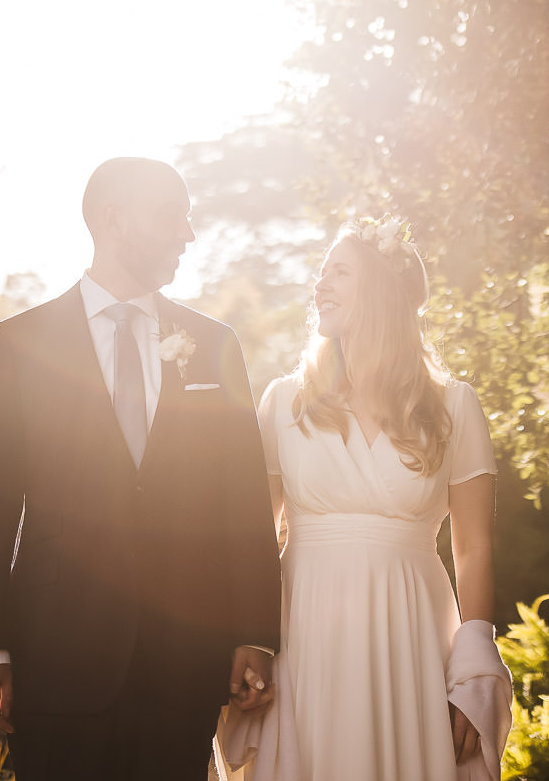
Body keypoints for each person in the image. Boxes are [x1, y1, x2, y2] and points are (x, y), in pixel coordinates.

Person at [0, 157, 282, 780]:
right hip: (57, 655)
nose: (188, 234)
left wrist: (255, 633)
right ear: (114, 219)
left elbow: (241, 501)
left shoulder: (215, 344)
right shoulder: (18, 344)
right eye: (171, 216)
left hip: (183, 658)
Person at [219, 216, 512, 781]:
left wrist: (474, 665)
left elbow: (473, 547)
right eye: (321, 272)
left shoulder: (454, 405)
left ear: (379, 290)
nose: (320, 285)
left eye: (339, 271)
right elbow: (255, 535)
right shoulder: (284, 402)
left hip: (411, 626)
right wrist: (242, 638)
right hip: (302, 625)